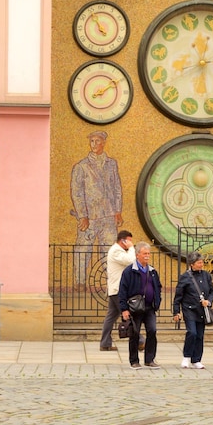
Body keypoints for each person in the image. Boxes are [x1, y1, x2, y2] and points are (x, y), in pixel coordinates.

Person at [70, 131, 123, 286]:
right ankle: (80, 283)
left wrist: (118, 211)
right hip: (90, 218)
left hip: (108, 216)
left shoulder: (111, 164)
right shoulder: (81, 166)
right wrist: (82, 216)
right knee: (83, 251)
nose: (93, 144)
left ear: (103, 143)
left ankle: (109, 284)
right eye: (91, 141)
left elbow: (117, 188)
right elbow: (77, 193)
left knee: (109, 252)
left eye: (97, 141)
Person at [119, 242, 162, 369]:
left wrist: (157, 300)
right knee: (135, 333)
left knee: (152, 331)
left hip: (149, 307)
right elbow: (122, 290)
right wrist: (124, 309)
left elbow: (158, 287)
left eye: (148, 253)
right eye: (144, 254)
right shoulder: (129, 271)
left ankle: (150, 359)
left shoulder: (152, 271)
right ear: (138, 255)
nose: (147, 256)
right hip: (134, 308)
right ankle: (134, 360)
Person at [173, 252, 213, 369]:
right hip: (189, 309)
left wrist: (209, 301)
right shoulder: (185, 277)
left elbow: (212, 291)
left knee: (200, 335)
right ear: (192, 264)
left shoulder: (206, 275)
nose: (201, 264)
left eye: (202, 262)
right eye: (199, 262)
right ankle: (186, 356)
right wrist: (176, 311)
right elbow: (178, 296)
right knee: (192, 332)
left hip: (202, 310)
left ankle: (196, 359)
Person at [100, 230, 135, 351]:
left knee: (111, 316)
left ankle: (105, 343)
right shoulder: (116, 251)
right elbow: (130, 261)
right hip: (118, 289)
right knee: (129, 315)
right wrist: (131, 249)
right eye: (129, 241)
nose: (131, 243)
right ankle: (140, 340)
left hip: (116, 289)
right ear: (123, 240)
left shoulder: (118, 251)